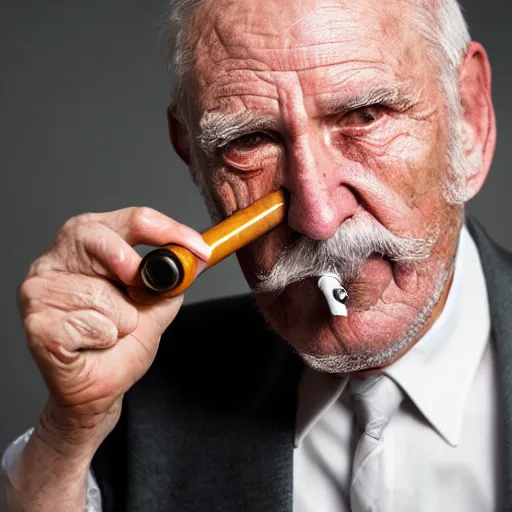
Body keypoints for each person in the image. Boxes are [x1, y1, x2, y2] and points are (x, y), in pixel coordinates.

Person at [1, 0, 508, 510]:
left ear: (468, 115)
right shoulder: (145, 385)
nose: (316, 215)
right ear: (193, 156)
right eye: (250, 140)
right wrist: (69, 433)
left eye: (365, 115)